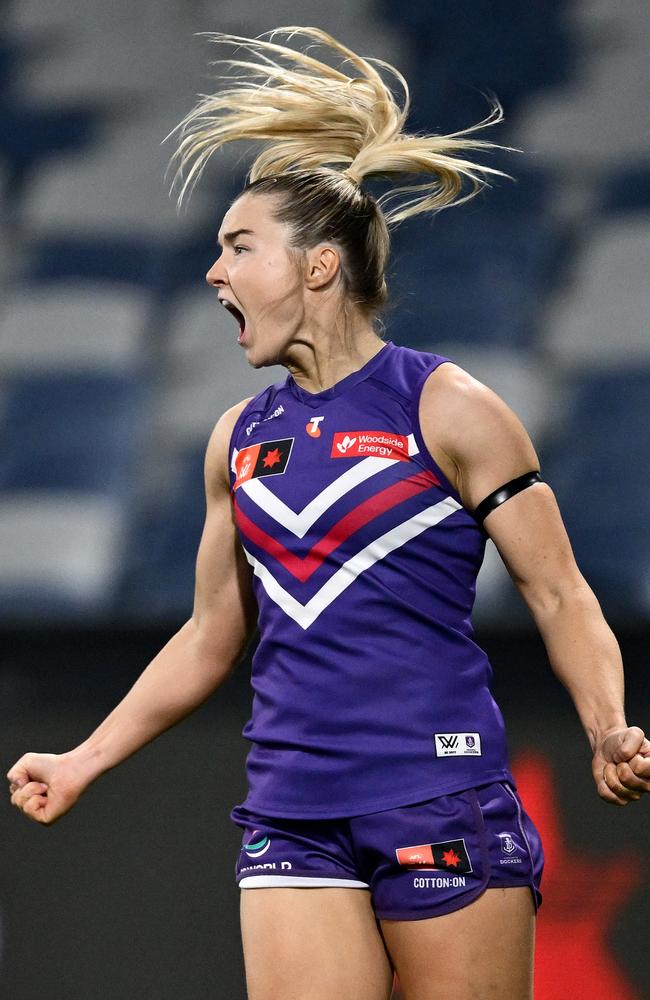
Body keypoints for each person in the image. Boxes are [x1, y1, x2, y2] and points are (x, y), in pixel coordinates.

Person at [7, 27, 650, 1000]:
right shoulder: (236, 439)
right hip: (292, 810)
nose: (214, 272)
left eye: (238, 247)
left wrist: (603, 724)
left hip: (439, 798)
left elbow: (558, 594)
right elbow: (208, 634)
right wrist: (83, 757)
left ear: (316, 269)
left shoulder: (449, 408)